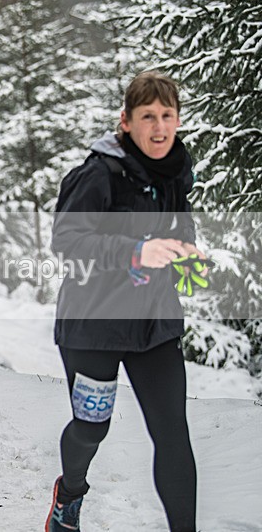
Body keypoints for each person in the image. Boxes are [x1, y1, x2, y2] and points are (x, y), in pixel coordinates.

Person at [46, 71, 206, 532]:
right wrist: (135, 252)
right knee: (93, 427)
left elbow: (180, 224)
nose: (159, 128)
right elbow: (67, 240)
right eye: (148, 117)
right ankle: (69, 494)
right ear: (126, 122)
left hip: (154, 323)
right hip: (92, 326)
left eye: (168, 116)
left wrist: (185, 255)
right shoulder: (99, 173)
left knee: (173, 432)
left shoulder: (175, 168)